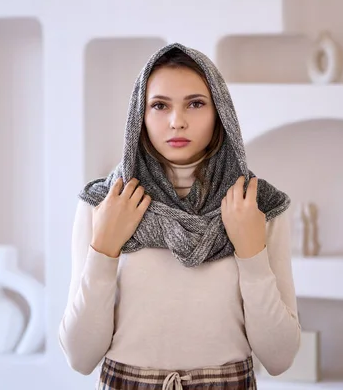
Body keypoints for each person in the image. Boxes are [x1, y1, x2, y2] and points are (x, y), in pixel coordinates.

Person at [58, 42, 301, 390]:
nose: (177, 121)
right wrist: (104, 249)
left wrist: (251, 254)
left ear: (220, 112)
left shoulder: (257, 206)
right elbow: (80, 358)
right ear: (139, 115)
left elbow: (279, 359)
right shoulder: (103, 205)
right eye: (159, 105)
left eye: (196, 104)